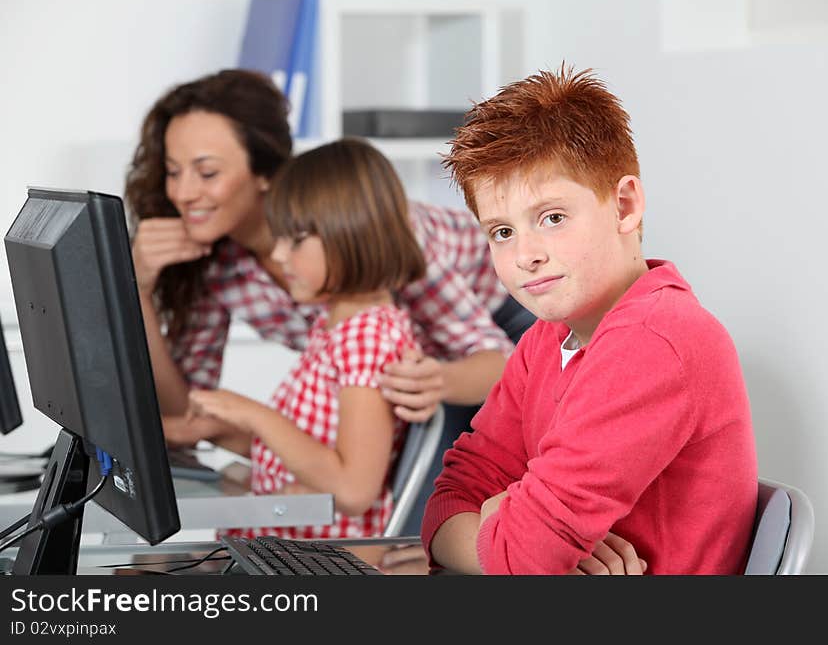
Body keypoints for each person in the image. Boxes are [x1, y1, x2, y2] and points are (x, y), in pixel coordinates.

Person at [421, 64, 758, 574]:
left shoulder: (654, 339)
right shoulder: (547, 338)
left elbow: (522, 556)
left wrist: (501, 515)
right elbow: (447, 502)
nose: (525, 255)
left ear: (624, 205)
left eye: (552, 218)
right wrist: (501, 524)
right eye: (502, 232)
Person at [124, 68, 514, 458]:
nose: (184, 193)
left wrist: (438, 380)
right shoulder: (214, 263)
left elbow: (502, 362)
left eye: (207, 172)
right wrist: (138, 287)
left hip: (506, 316)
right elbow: (184, 411)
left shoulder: (374, 232)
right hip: (416, 372)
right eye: (173, 172)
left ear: (263, 171)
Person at [184, 138, 424, 538]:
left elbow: (353, 489)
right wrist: (206, 428)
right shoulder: (337, 327)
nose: (278, 256)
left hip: (321, 562)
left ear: (352, 234)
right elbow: (307, 448)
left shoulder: (367, 336)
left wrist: (255, 415)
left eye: (294, 240)